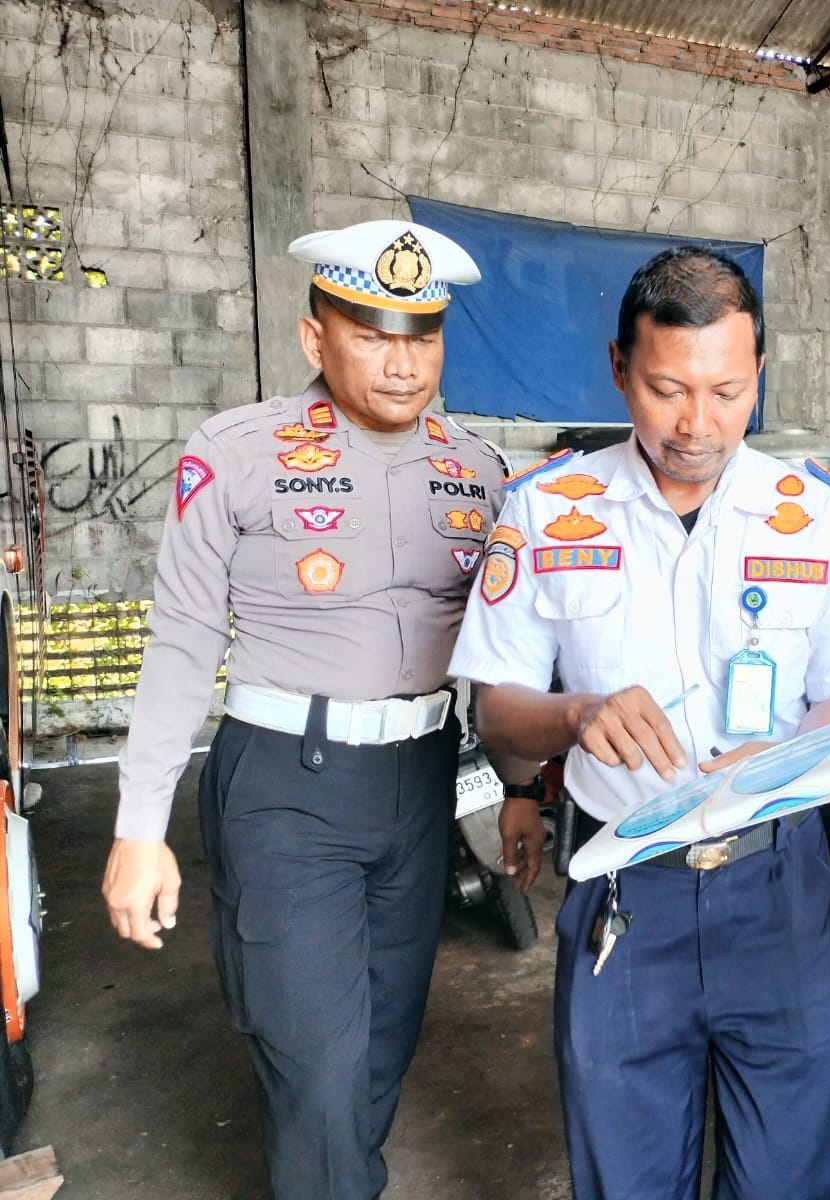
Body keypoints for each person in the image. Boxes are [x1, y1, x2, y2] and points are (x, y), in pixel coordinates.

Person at [447, 247, 830, 1200]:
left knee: (789, 1177)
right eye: (666, 390)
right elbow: (500, 715)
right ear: (619, 369)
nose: (698, 425)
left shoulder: (818, 518)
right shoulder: (546, 512)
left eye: (728, 393)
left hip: (777, 888)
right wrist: (576, 713)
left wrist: (789, 756)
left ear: (759, 374)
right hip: (625, 885)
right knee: (626, 1176)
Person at [100, 220, 506, 1198]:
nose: (403, 364)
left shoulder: (479, 468)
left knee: (377, 1054)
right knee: (317, 1072)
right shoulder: (237, 453)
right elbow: (182, 638)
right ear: (314, 338)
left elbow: (510, 644)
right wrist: (139, 827)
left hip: (421, 784)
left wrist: (521, 788)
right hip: (286, 787)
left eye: (423, 337)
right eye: (371, 336)